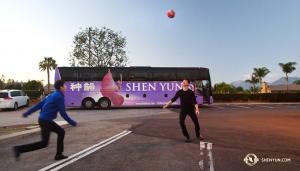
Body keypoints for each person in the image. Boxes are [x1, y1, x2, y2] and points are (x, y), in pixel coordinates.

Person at [12, 80, 77, 161]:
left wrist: (27, 113)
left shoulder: (52, 95)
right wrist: (73, 122)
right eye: (65, 85)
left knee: (61, 132)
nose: (66, 86)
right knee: (44, 143)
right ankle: (19, 149)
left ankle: (59, 154)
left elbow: (39, 104)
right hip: (46, 121)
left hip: (45, 120)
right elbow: (63, 113)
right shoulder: (59, 97)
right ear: (61, 87)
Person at [163, 78, 203, 142]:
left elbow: (195, 102)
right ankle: (186, 136)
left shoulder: (191, 92)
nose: (183, 82)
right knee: (181, 122)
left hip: (190, 110)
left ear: (188, 84)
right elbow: (173, 99)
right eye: (183, 82)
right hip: (183, 110)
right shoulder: (179, 92)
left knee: (196, 123)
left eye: (185, 81)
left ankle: (198, 135)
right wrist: (166, 106)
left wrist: (197, 110)